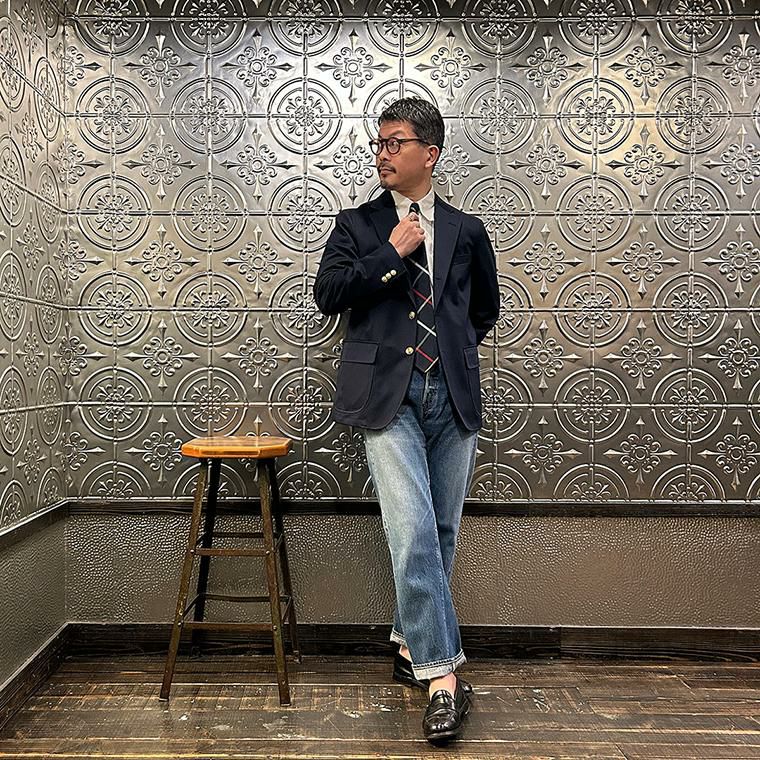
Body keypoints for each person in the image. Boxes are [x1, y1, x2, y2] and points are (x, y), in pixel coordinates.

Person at [313, 97, 500, 744]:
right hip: (385, 397)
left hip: (452, 394)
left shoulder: (468, 231)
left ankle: (406, 641)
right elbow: (328, 295)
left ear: (430, 153)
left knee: (441, 532)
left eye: (395, 143)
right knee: (413, 530)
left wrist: (452, 358)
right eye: (379, 143)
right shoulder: (357, 224)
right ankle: (444, 678)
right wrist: (391, 255)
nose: (382, 154)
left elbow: (482, 311)